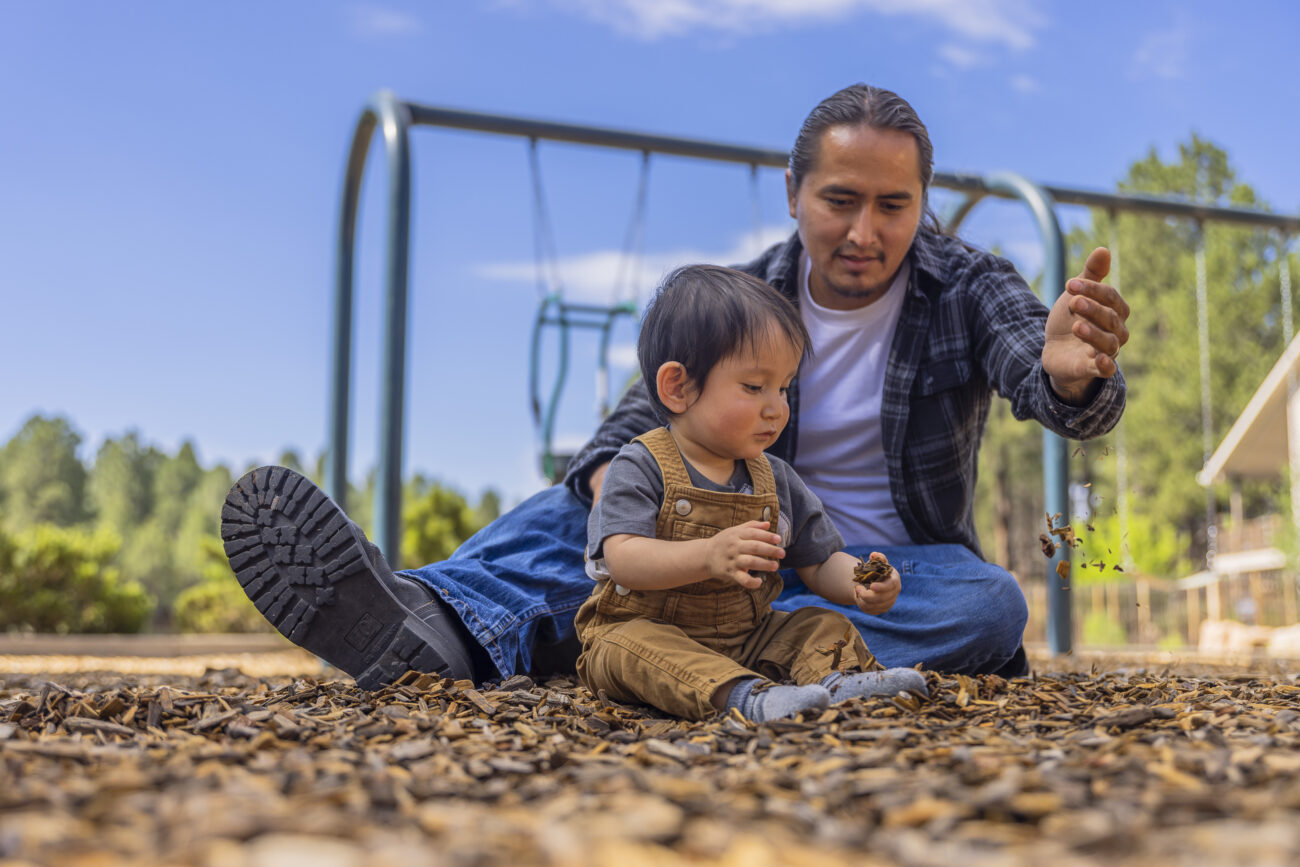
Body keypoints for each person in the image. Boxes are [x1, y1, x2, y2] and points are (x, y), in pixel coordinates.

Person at [220, 83, 1130, 690]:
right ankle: (435, 624)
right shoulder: (744, 299)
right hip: (707, 542)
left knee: (990, 604)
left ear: (922, 203)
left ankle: (640, 645)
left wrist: (1068, 377)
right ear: (793, 193)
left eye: (894, 205)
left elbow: (1039, 368)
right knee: (576, 501)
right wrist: (613, 489)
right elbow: (644, 417)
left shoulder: (969, 286)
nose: (865, 230)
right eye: (839, 200)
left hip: (883, 576)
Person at [575, 264, 927, 721]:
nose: (776, 408)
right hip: (643, 629)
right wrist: (706, 555)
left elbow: (819, 561)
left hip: (746, 636)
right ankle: (746, 698)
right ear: (677, 387)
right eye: (754, 387)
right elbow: (621, 557)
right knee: (630, 648)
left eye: (783, 388)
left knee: (820, 623)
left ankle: (837, 682)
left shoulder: (774, 478)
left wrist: (862, 582)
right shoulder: (640, 465)